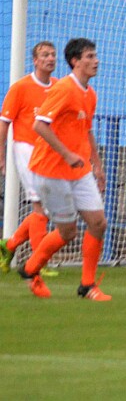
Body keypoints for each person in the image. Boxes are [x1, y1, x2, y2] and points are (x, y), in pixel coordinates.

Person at [17, 38, 109, 300]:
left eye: (95, 55)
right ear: (75, 61)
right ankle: (31, 267)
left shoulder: (90, 94)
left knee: (98, 223)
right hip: (50, 170)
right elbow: (39, 125)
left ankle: (87, 285)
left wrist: (97, 165)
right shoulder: (63, 89)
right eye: (90, 56)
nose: (96, 61)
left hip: (79, 171)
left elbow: (87, 129)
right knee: (68, 231)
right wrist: (66, 153)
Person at [0, 42, 59, 275]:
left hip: (50, 154)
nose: (50, 58)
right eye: (45, 55)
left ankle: (10, 245)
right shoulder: (21, 87)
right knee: (38, 205)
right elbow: (4, 123)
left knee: (47, 207)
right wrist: (1, 155)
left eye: (53, 54)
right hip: (25, 149)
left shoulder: (58, 87)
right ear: (35, 60)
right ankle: (38, 261)